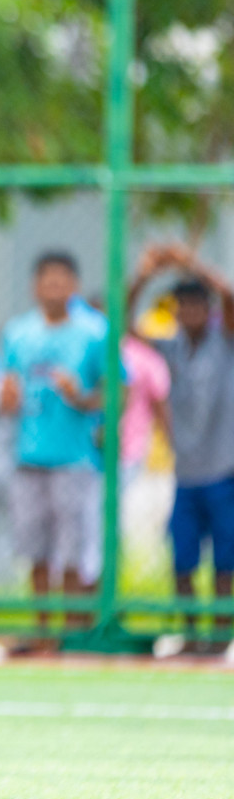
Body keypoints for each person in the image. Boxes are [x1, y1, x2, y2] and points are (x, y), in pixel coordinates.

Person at [128, 245, 234, 645]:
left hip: (224, 472)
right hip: (186, 474)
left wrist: (190, 264)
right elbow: (123, 324)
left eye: (197, 305)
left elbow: (229, 294)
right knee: (183, 559)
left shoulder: (225, 341)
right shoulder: (170, 349)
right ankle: (190, 638)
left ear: (209, 309)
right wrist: (144, 276)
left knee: (226, 562)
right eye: (183, 306)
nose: (190, 312)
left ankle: (222, 637)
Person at [0, 251, 106, 644]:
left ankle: (74, 635)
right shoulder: (17, 332)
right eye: (47, 280)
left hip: (75, 458)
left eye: (62, 280)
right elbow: (6, 393)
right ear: (35, 285)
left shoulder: (95, 331)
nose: (54, 287)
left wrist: (81, 398)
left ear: (74, 285)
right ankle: (44, 635)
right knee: (36, 551)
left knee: (74, 553)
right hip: (28, 456)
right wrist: (6, 399)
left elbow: (116, 393)